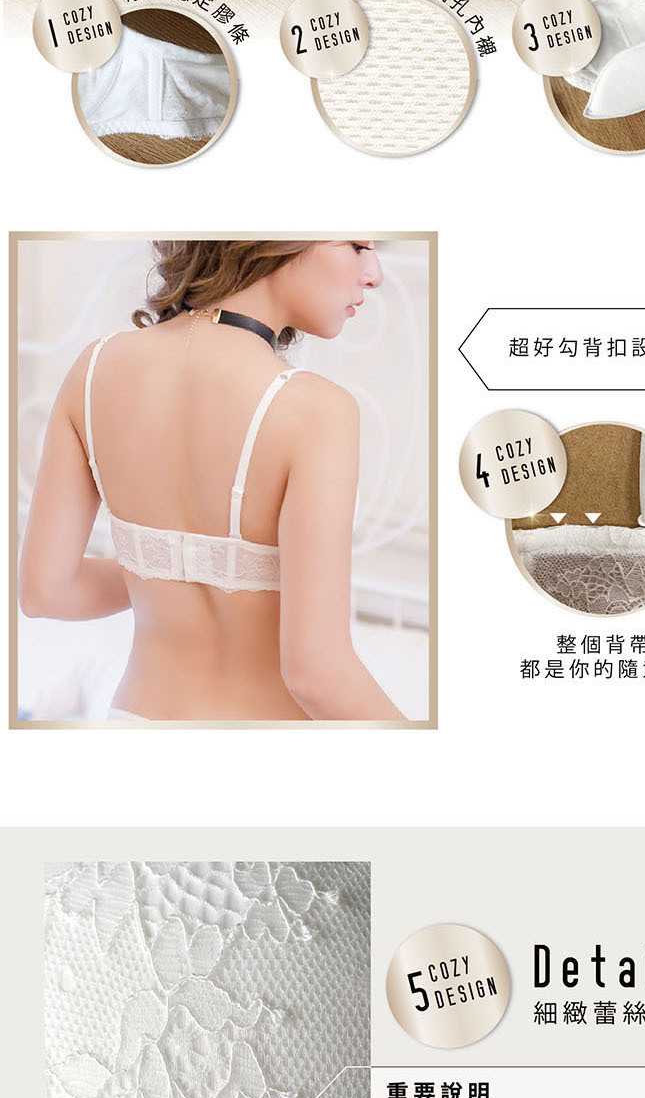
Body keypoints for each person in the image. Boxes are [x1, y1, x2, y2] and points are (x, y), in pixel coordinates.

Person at [18, 227, 404, 725]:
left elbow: (47, 591)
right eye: (357, 246)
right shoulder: (316, 411)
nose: (373, 274)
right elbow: (317, 675)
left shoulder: (93, 368)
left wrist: (164, 572)